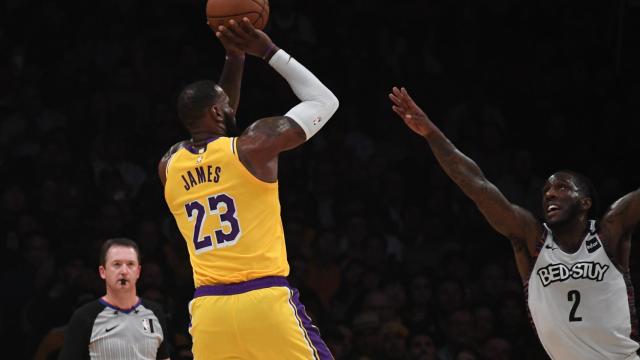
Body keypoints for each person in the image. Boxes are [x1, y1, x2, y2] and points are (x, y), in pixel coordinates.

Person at [389, 86, 640, 359]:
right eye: (546, 191)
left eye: (563, 188)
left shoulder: (609, 232)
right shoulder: (533, 240)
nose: (550, 194)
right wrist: (431, 133)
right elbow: (477, 186)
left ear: (585, 202)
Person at [158, 18, 338, 359]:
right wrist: (268, 52)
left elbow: (218, 125)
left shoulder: (169, 165)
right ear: (216, 111)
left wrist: (234, 58)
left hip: (210, 312)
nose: (232, 107)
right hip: (264, 300)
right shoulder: (252, 147)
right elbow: (324, 101)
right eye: (226, 105)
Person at [58, 238, 170, 360]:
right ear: (102, 272)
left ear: (138, 272)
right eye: (116, 264)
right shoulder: (84, 317)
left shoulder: (155, 313)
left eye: (130, 264)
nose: (124, 271)